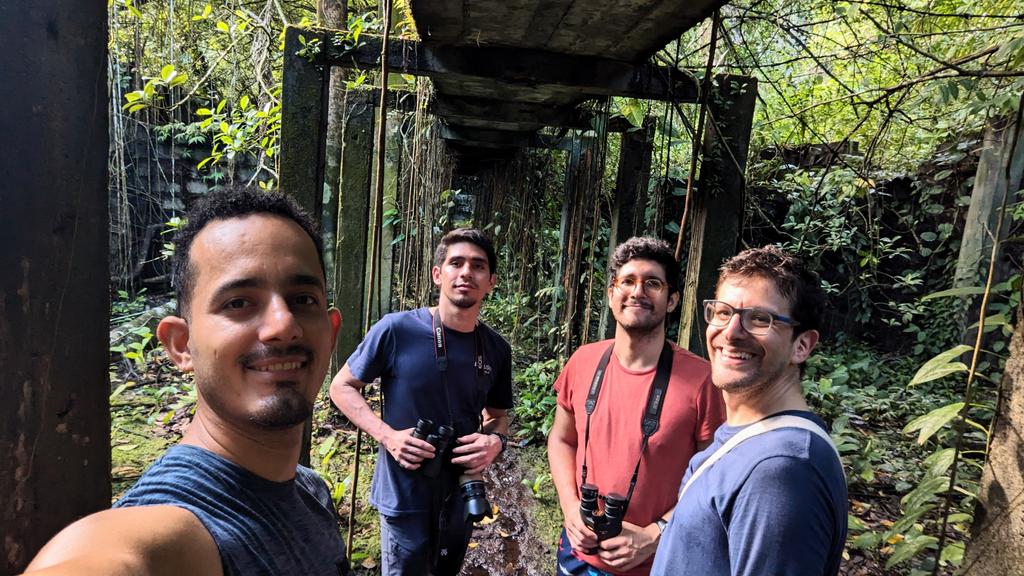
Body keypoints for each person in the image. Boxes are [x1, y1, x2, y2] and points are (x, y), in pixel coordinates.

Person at [23, 188, 350, 576]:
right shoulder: (178, 524)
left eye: (303, 299)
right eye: (239, 302)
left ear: (330, 335)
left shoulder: (311, 493)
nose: (283, 325)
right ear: (182, 345)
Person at [651, 245, 848, 576]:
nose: (731, 332)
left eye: (760, 318)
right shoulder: (749, 440)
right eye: (723, 312)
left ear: (802, 345)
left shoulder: (781, 472)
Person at [330, 228, 512, 576]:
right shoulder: (396, 329)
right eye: (456, 263)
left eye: (477, 266)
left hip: (460, 493)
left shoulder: (496, 349)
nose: (465, 273)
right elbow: (342, 387)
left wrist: (494, 442)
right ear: (438, 274)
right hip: (405, 495)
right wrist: (388, 436)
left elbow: (497, 416)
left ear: (490, 281)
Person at [548, 237, 726, 576]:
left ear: (672, 299)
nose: (637, 291)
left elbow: (714, 480)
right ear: (611, 293)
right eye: (627, 281)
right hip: (577, 554)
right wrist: (571, 507)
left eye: (653, 283)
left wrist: (657, 532)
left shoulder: (704, 381)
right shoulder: (582, 361)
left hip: (656, 564)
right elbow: (562, 439)